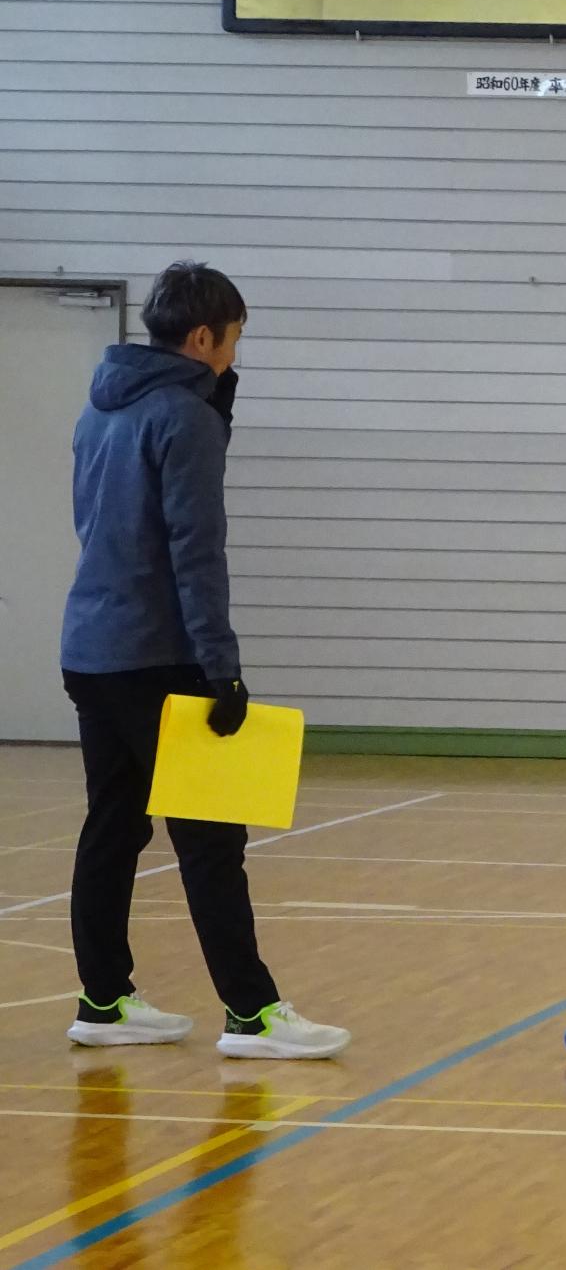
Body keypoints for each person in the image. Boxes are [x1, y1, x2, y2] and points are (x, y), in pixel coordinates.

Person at [58, 261, 349, 1059]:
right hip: (158, 658)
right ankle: (251, 1013)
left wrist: (213, 409)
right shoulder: (182, 418)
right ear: (200, 337)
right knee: (211, 838)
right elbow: (196, 550)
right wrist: (221, 667)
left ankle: (103, 999)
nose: (233, 356)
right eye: (232, 342)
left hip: (91, 649)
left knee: (113, 825)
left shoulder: (101, 406)